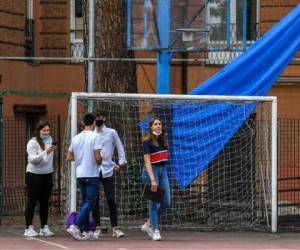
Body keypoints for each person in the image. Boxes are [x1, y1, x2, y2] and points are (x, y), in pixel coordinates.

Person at [66, 112, 102, 240]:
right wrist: (99, 161)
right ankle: (75, 225)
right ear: (93, 123)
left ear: (83, 123)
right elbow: (98, 157)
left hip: (80, 174)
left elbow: (69, 156)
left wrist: (81, 157)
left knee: (85, 202)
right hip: (92, 173)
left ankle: (86, 231)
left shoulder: (76, 138)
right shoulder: (95, 136)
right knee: (90, 202)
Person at [91, 110, 127, 238]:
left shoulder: (112, 132)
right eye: (96, 118)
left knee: (111, 199)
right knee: (94, 199)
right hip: (93, 170)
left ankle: (115, 227)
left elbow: (120, 147)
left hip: (108, 169)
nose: (98, 120)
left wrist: (121, 163)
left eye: (100, 117)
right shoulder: (90, 133)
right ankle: (97, 227)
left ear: (105, 119)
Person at [24, 120, 57, 237]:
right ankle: (28, 227)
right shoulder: (33, 142)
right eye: (44, 130)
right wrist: (45, 152)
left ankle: (44, 227)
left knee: (44, 201)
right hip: (34, 174)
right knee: (32, 200)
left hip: (47, 174)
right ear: (38, 131)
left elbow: (49, 159)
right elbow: (32, 159)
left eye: (48, 130)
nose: (46, 132)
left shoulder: (50, 140)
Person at [141, 117, 171, 241]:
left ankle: (148, 224)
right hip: (150, 172)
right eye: (156, 124)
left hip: (162, 171)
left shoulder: (163, 140)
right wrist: (152, 180)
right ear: (151, 127)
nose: (158, 126)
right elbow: (147, 161)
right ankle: (155, 230)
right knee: (153, 203)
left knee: (166, 202)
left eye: (160, 124)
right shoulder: (147, 141)